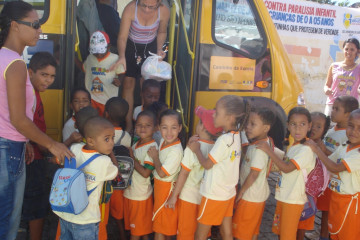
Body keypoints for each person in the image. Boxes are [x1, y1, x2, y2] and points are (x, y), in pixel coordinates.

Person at [0, 2, 73, 239]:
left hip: (10, 145)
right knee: (7, 222)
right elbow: (18, 119)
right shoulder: (16, 64)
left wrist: (28, 142)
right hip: (8, 150)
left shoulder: (3, 57)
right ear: (14, 26)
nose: (38, 30)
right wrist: (53, 145)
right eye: (33, 24)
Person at [187, 95, 250, 240]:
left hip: (213, 194)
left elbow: (207, 165)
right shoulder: (237, 136)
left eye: (217, 112)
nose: (213, 114)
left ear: (229, 117)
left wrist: (196, 150)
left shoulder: (223, 140)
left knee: (200, 234)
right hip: (228, 193)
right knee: (226, 232)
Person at [256, 107, 316, 240]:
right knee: (281, 232)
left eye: (302, 124)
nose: (298, 129)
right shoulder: (295, 146)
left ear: (309, 126)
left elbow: (287, 168)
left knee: (287, 235)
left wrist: (269, 151)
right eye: (294, 124)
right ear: (288, 126)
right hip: (284, 196)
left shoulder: (306, 149)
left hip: (293, 200)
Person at [54, 117, 118, 240]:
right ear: (90, 140)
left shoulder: (75, 148)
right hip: (86, 220)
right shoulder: (104, 161)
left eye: (112, 138)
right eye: (107, 139)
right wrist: (111, 153)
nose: (111, 143)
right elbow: (115, 172)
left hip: (65, 214)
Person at [165, 106, 222, 240]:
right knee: (201, 231)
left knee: (185, 232)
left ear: (202, 127)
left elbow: (184, 174)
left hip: (188, 198)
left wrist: (174, 196)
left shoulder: (193, 148)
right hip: (205, 198)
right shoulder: (216, 147)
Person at [113, 0, 170, 132]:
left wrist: (159, 50)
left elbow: (162, 32)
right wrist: (122, 56)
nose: (147, 10)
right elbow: (122, 37)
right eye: (143, 5)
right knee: (128, 84)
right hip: (131, 46)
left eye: (152, 6)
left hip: (150, 46)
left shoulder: (164, 11)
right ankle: (129, 125)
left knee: (147, 86)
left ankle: (149, 123)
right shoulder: (130, 8)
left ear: (159, 3)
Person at [307, 96, 358, 240]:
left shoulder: (357, 153)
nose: (354, 131)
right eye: (351, 126)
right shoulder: (345, 145)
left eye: (359, 128)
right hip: (335, 192)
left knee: (346, 232)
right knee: (334, 227)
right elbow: (329, 159)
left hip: (348, 200)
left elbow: (335, 167)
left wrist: (318, 149)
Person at [21, 52, 57, 240]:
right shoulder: (29, 94)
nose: (49, 80)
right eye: (44, 75)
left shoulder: (34, 92)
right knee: (36, 204)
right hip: (32, 158)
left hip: (37, 155)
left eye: (52, 76)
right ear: (30, 72)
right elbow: (25, 125)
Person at [232, 108, 276, 240]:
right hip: (257, 196)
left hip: (250, 196)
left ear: (265, 128)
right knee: (252, 230)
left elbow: (254, 174)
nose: (248, 127)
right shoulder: (262, 143)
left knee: (242, 232)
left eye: (253, 124)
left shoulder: (259, 149)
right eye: (248, 124)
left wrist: (241, 192)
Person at [147, 109, 183, 240]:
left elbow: (162, 173)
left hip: (166, 188)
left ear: (179, 128)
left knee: (160, 226)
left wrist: (155, 157)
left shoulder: (176, 151)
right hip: (160, 187)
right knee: (163, 224)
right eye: (164, 128)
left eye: (173, 128)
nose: (169, 132)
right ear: (159, 128)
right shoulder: (164, 141)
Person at [124, 110, 158, 240]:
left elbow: (145, 173)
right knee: (141, 228)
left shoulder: (152, 147)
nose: (142, 128)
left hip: (140, 195)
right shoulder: (137, 143)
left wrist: (132, 158)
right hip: (132, 192)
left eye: (147, 125)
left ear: (155, 128)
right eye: (139, 125)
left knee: (135, 232)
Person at [297, 112, 330, 240]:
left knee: (303, 223)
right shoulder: (301, 142)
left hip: (309, 194)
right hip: (297, 190)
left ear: (324, 130)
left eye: (319, 126)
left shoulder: (320, 147)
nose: (314, 128)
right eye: (311, 124)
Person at [105, 97, 131, 240]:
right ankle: (122, 234)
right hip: (120, 181)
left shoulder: (102, 132)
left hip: (105, 178)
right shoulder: (126, 136)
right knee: (118, 211)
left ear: (106, 113)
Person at [83, 30, 124, 116]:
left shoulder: (115, 58)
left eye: (101, 52)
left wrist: (119, 81)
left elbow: (121, 73)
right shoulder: (90, 58)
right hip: (92, 98)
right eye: (95, 52)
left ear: (109, 47)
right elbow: (84, 68)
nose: (98, 55)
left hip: (108, 99)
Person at [324, 38, 360, 116]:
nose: (348, 52)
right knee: (329, 127)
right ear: (343, 50)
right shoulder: (334, 66)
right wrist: (327, 90)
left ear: (357, 51)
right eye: (346, 49)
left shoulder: (359, 68)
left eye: (352, 49)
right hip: (333, 105)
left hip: (350, 108)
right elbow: (327, 85)